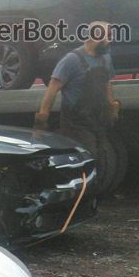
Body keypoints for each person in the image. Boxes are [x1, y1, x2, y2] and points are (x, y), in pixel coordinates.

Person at [35, 21, 121, 194]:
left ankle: (91, 196)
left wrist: (112, 106)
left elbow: (107, 83)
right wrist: (42, 118)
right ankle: (76, 197)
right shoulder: (71, 60)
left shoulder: (105, 57)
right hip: (76, 121)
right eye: (107, 37)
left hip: (97, 118)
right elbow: (52, 90)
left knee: (101, 158)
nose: (110, 41)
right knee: (87, 158)